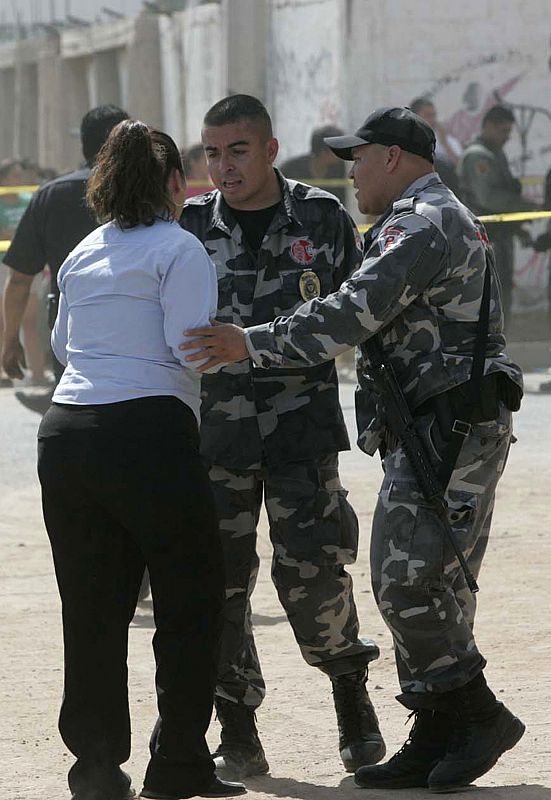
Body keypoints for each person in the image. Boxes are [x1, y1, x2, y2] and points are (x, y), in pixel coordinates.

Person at [181, 106, 526, 793]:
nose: (351, 175)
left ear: (391, 158)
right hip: (429, 425)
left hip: (445, 424)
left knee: (405, 582)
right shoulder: (420, 215)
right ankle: (434, 730)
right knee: (428, 580)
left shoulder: (417, 222)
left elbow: (348, 310)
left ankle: (476, 714)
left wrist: (248, 340)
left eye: (358, 160)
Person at [37, 120, 245, 800]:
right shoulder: (179, 248)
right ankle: (179, 761)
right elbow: (189, 349)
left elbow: (64, 347)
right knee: (189, 600)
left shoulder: (82, 252)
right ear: (174, 185)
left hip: (66, 434)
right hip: (148, 431)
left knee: (91, 609)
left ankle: (95, 768)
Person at [180, 94, 386, 779]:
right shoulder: (187, 227)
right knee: (219, 586)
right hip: (215, 440)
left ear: (269, 149)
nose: (223, 167)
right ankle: (236, 727)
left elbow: (359, 319)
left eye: (237, 150)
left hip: (301, 431)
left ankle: (350, 700)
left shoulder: (323, 219)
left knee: (313, 573)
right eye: (211, 152)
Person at [1, 104, 129, 411]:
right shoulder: (145, 191)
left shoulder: (50, 194)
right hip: (136, 320)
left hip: (71, 328)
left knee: (76, 414)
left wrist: (9, 341)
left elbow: (19, 279)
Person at [458, 104, 538, 328]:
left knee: (502, 293)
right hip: (485, 239)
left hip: (500, 235)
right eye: (504, 131)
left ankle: (504, 340)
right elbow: (488, 198)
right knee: (491, 295)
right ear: (490, 126)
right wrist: (524, 206)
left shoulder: (495, 153)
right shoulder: (478, 156)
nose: (507, 137)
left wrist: (518, 223)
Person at [0, 159, 46, 386]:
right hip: (3, 265)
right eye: (14, 176)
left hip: (29, 264)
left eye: (21, 176)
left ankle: (37, 373)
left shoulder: (29, 200)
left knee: (29, 321)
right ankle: (6, 374)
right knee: (5, 322)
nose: (20, 180)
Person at [280, 124, 348, 203]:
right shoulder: (291, 169)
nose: (341, 153)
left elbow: (339, 201)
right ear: (323, 152)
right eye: (338, 149)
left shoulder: (338, 168)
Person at [409, 97, 462, 196]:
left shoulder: (447, 140)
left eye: (433, 115)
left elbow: (461, 168)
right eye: (427, 116)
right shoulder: (405, 142)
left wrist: (445, 144)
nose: (432, 120)